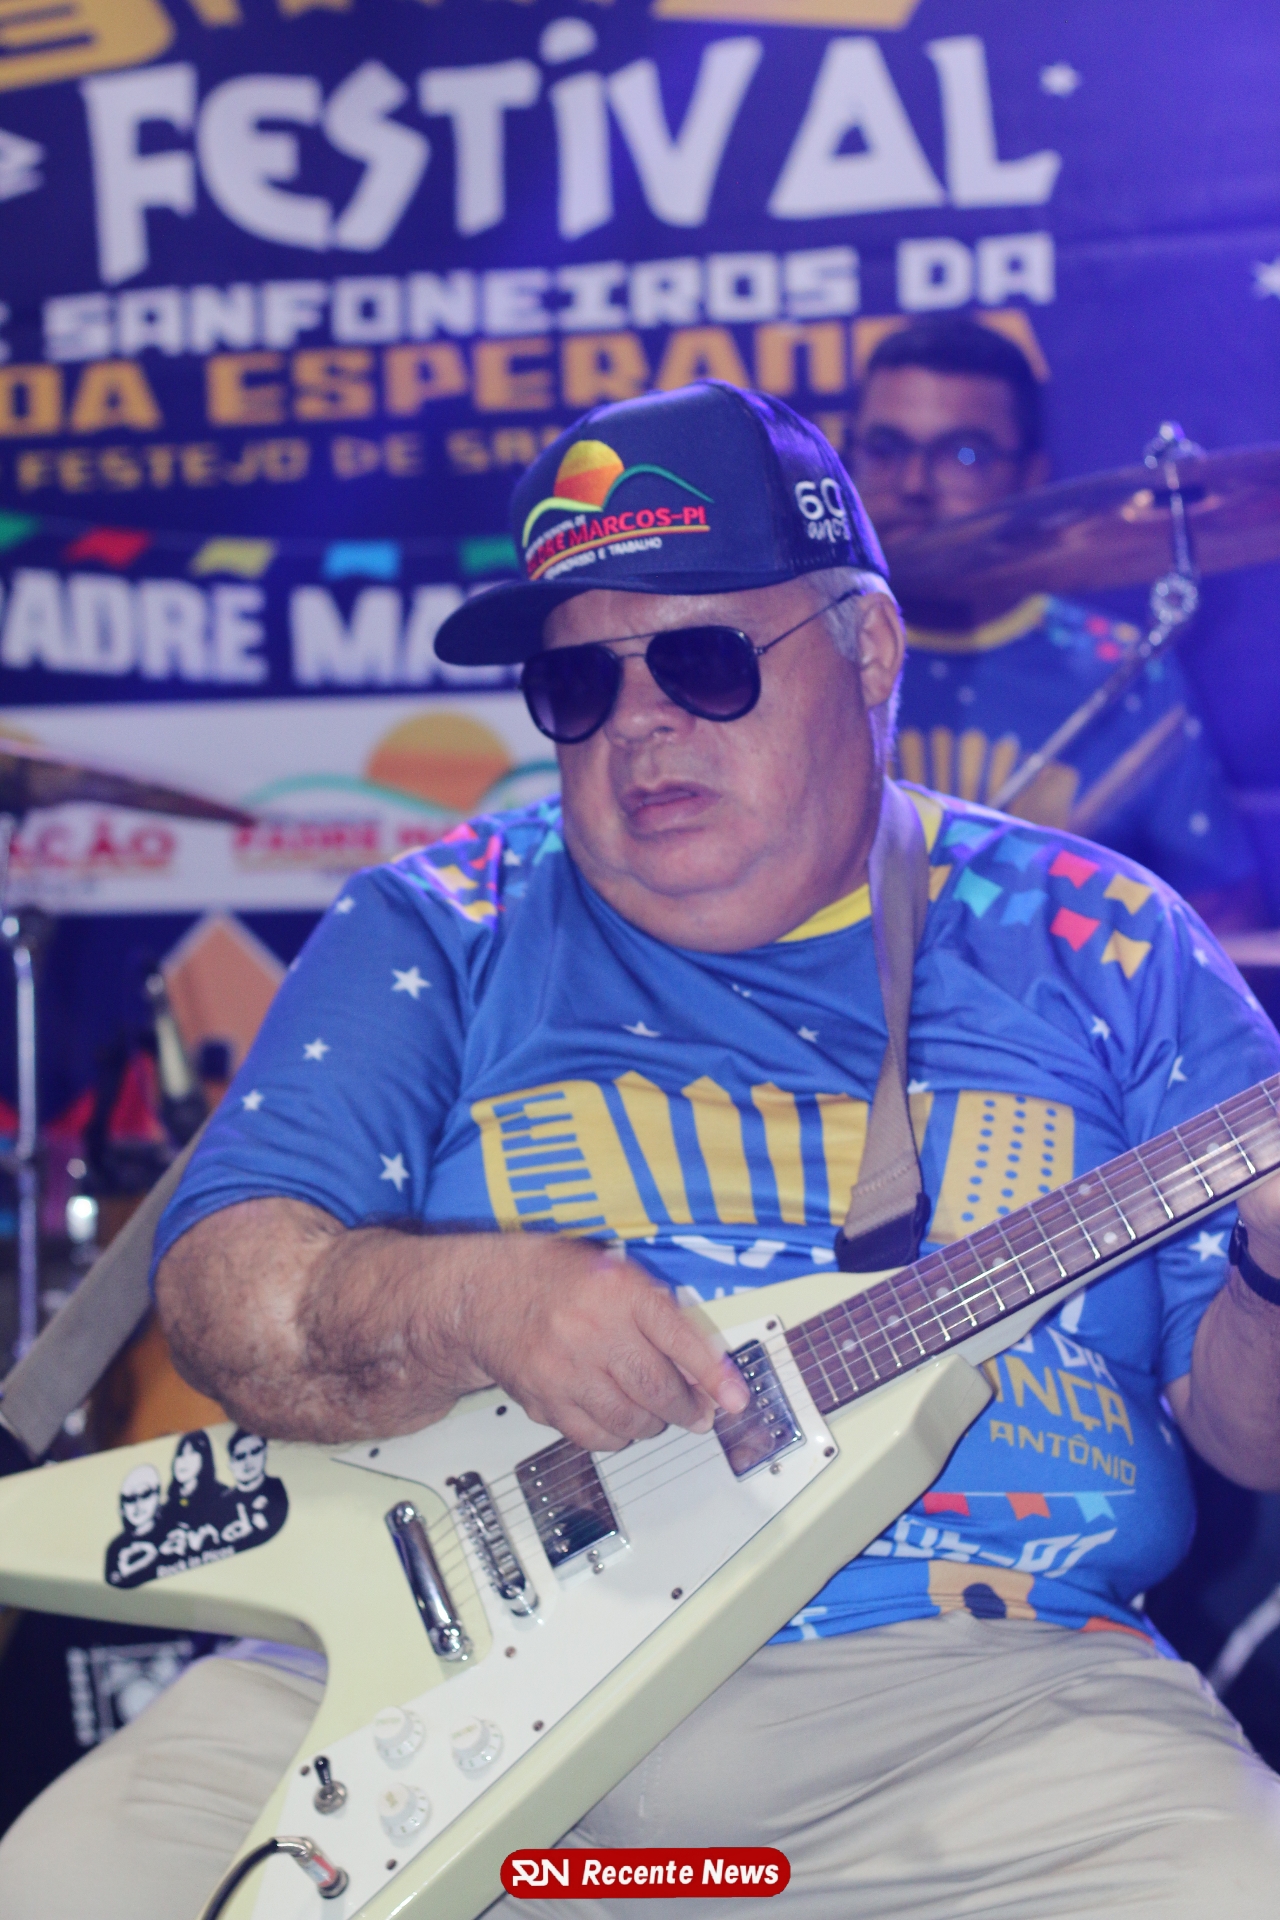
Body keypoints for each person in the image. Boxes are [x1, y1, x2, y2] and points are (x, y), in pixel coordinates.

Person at [4, 381, 1280, 1919]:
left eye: (702, 659)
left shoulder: (1106, 938)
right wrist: (467, 1303)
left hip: (977, 1702)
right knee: (68, 1883)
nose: (641, 725)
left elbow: (1251, 1438)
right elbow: (228, 1296)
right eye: (577, 684)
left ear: (871, 651)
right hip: (419, 1674)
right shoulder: (440, 922)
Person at [851, 316, 1267, 933]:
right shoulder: (805, 648)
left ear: (1032, 476)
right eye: (885, 449)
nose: (912, 485)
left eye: (964, 454)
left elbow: (1223, 915)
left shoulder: (1121, 669)